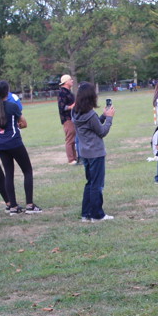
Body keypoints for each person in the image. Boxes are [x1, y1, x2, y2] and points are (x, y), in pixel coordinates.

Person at [0, 80, 41, 214]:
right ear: (7, 91)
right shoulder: (12, 106)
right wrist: (17, 126)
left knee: (9, 174)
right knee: (27, 170)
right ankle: (29, 205)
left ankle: (13, 206)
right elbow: (23, 123)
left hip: (0, 144)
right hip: (14, 142)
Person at [72, 82, 114, 222]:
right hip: (96, 153)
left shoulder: (76, 113)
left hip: (85, 152)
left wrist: (102, 116)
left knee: (90, 183)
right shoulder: (90, 114)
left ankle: (86, 213)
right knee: (97, 184)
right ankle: (97, 214)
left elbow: (92, 126)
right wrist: (109, 118)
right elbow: (102, 132)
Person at [56, 74, 78, 164]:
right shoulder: (62, 93)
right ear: (66, 82)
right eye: (70, 80)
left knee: (74, 138)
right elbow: (61, 107)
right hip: (67, 118)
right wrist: (71, 106)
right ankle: (71, 159)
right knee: (70, 139)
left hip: (73, 117)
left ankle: (75, 158)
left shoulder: (69, 92)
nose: (72, 81)